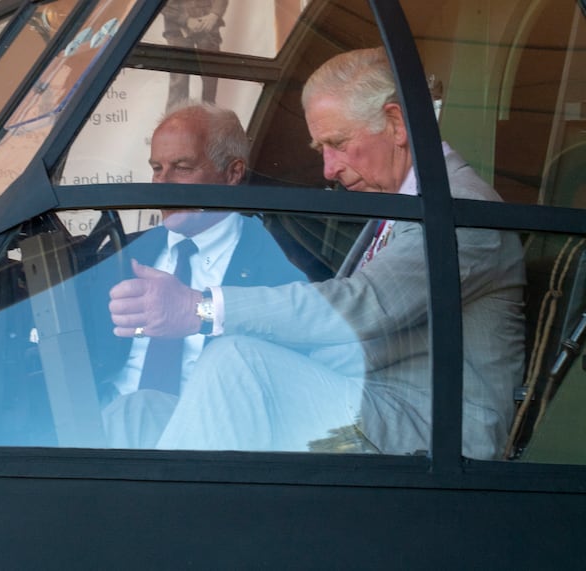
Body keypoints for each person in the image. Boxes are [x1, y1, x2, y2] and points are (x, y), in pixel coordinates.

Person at [108, 47, 526, 460]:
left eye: (338, 143)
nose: (328, 169)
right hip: (365, 407)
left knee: (236, 361)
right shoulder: (400, 201)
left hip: (431, 433)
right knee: (140, 411)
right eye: (321, 149)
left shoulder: (460, 211)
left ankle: (164, 523)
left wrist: (200, 308)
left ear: (396, 123)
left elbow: (364, 305)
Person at [89, 101, 306, 447]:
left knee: (139, 410)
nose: (162, 185)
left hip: (207, 439)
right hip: (102, 424)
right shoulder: (120, 255)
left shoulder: (277, 267)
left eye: (182, 168)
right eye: (157, 168)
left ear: (232, 173)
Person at [161, 0, 228, 109]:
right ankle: (175, 122)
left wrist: (214, 14)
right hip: (177, 29)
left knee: (210, 79)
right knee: (179, 81)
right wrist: (185, 20)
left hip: (208, 26)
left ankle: (209, 121)